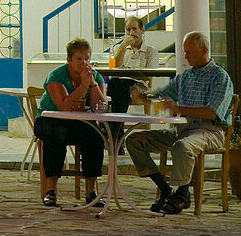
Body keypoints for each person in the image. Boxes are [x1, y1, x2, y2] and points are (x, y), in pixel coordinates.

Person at [126, 30, 234, 214]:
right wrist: (144, 95)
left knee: (182, 146)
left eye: (189, 52)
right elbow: (162, 94)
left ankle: (182, 196)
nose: (185, 56)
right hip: (182, 129)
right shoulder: (185, 77)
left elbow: (211, 112)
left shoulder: (220, 77)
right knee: (134, 140)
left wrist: (179, 109)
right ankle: (167, 190)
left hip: (209, 131)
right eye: (184, 51)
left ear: (204, 50)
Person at [33, 37, 108, 208]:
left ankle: (91, 192)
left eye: (87, 59)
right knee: (56, 135)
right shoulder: (56, 76)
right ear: (69, 60)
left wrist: (93, 84)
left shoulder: (94, 76)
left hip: (79, 121)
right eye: (79, 59)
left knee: (95, 135)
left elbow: (101, 108)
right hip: (50, 119)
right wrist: (83, 85)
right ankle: (51, 190)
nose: (84, 63)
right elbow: (64, 107)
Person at [107, 15, 160, 116]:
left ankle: (115, 125)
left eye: (135, 29)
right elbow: (115, 69)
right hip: (119, 84)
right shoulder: (118, 48)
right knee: (116, 84)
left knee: (118, 85)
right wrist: (122, 47)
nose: (131, 33)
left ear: (142, 30)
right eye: (128, 30)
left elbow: (149, 76)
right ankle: (117, 126)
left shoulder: (151, 51)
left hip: (138, 86)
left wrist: (127, 74)